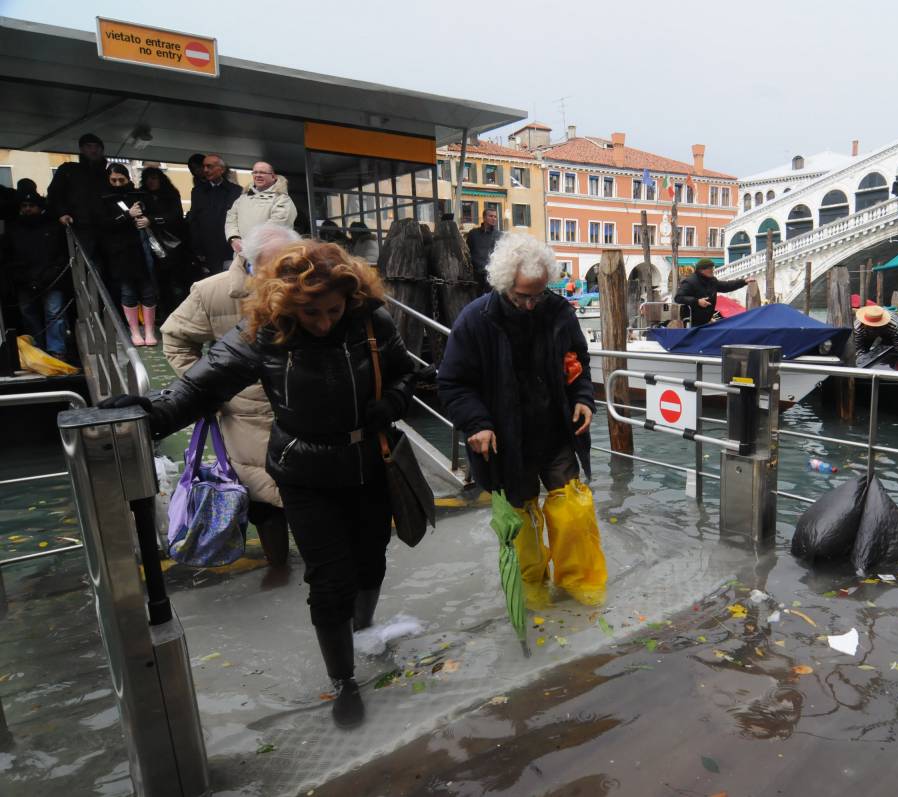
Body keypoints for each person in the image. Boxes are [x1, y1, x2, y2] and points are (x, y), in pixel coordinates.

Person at [105, 239, 418, 728]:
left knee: (371, 557)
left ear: (349, 298)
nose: (323, 322)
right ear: (286, 304)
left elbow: (407, 376)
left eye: (333, 309)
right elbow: (198, 387)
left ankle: (365, 628)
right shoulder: (264, 332)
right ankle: (344, 680)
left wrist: (393, 404)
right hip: (305, 473)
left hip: (368, 463)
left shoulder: (369, 321)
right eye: (311, 312)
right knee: (330, 579)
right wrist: (147, 414)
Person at [438, 232, 606, 608]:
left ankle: (583, 587)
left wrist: (583, 399)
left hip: (554, 432)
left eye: (537, 295)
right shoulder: (474, 320)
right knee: (520, 524)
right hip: (504, 441)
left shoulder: (558, 311)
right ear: (503, 285)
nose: (531, 305)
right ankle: (532, 593)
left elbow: (577, 363)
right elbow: (451, 383)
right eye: (522, 296)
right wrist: (476, 423)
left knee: (574, 511)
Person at [160, 223, 301, 573]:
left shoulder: (307, 284)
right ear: (248, 260)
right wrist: (212, 386)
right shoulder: (212, 292)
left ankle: (317, 565)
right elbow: (176, 339)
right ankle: (279, 565)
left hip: (301, 402)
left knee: (306, 488)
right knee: (261, 496)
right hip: (243, 412)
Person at [4, 192, 69, 358]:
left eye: (31, 206)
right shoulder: (14, 230)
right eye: (24, 206)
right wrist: (23, 278)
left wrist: (50, 275)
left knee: (54, 314)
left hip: (51, 278)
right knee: (28, 314)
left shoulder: (53, 227)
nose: (27, 209)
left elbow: (60, 255)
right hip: (24, 280)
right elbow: (9, 257)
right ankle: (38, 349)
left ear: (39, 208)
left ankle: (56, 351)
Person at [100, 164, 158, 346]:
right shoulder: (104, 199)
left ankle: (149, 330)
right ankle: (134, 332)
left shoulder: (139, 196)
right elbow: (103, 225)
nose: (117, 184)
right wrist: (127, 215)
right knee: (128, 291)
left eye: (121, 180)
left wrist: (148, 220)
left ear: (128, 179)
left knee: (148, 291)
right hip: (120, 253)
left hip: (142, 250)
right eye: (114, 180)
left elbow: (156, 214)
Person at [46, 133, 109, 258]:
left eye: (97, 147)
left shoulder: (108, 174)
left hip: (106, 228)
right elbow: (54, 193)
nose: (93, 150)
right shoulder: (68, 170)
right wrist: (62, 213)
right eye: (89, 146)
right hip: (78, 227)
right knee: (84, 263)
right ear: (81, 149)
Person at [225, 161, 297, 266]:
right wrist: (234, 239)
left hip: (268, 258)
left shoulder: (282, 199)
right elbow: (231, 219)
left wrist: (249, 246)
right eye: (255, 172)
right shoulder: (242, 198)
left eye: (262, 172)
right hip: (241, 256)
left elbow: (276, 227)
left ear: (273, 176)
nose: (258, 175)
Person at [139, 166, 187, 316]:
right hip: (149, 243)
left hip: (172, 244)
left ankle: (177, 313)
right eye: (148, 179)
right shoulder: (141, 195)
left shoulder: (170, 194)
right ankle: (163, 313)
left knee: (175, 282)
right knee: (157, 282)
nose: (150, 182)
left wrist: (152, 220)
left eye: (154, 178)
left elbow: (175, 216)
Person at [188, 154, 241, 274]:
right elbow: (194, 221)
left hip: (229, 248)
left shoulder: (236, 191)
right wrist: (197, 249)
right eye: (204, 167)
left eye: (209, 166)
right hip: (207, 249)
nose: (205, 170)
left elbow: (240, 221)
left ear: (221, 169)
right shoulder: (198, 192)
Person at [674, 258, 755, 326]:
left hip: (705, 322)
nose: (713, 270)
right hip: (690, 322)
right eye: (710, 268)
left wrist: (744, 281)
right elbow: (678, 298)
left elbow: (726, 286)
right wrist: (697, 301)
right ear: (702, 270)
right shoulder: (690, 282)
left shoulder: (712, 281)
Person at [465, 207, 501, 295]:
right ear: (484, 217)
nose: (493, 218)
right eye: (491, 216)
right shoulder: (473, 234)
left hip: (493, 277)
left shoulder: (499, 235)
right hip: (475, 277)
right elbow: (467, 253)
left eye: (495, 217)